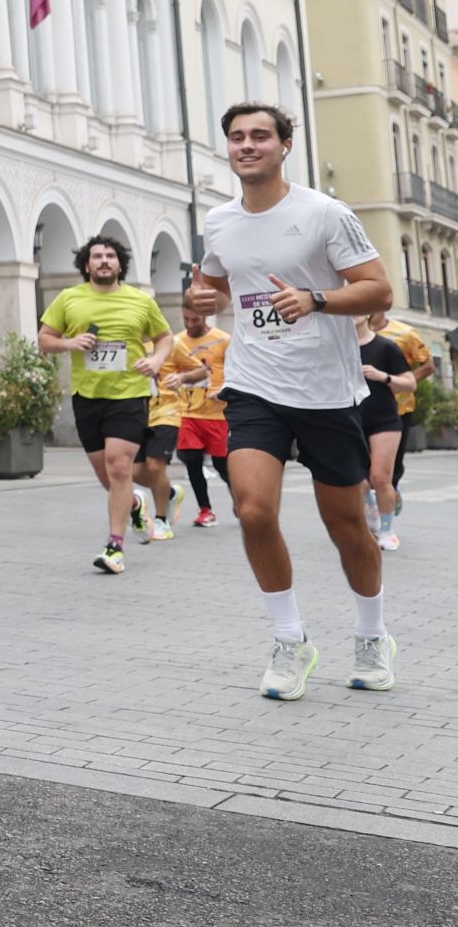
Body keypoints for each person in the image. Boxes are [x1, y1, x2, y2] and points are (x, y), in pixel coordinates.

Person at [186, 101, 396, 700]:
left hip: (328, 392)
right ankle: (289, 639)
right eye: (235, 137)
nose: (246, 145)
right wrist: (200, 301)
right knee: (252, 510)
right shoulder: (221, 221)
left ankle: (372, 635)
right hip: (254, 385)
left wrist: (316, 300)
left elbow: (378, 287)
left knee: (347, 524)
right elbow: (219, 282)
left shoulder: (325, 214)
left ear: (284, 146)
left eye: (259, 136)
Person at [37, 233, 175, 574]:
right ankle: (134, 501)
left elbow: (165, 338)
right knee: (108, 477)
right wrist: (70, 343)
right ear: (87, 265)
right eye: (97, 256)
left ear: (119, 264)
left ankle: (115, 546)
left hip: (129, 394)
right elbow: (44, 339)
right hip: (87, 397)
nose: (103, 261)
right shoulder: (70, 299)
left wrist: (156, 362)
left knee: (118, 466)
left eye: (110, 256)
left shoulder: (140, 301)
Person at [134, 336, 206, 544]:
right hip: (136, 413)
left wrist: (182, 378)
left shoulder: (170, 342)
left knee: (155, 466)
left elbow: (201, 370)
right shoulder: (127, 340)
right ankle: (170, 493)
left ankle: (161, 520)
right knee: (133, 472)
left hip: (167, 412)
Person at [356, 314, 414, 552]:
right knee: (356, 480)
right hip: (348, 419)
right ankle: (370, 510)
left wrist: (384, 377)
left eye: (357, 309)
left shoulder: (385, 346)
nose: (351, 314)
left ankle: (388, 531)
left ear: (368, 313)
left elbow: (410, 383)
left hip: (384, 419)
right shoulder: (337, 348)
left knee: (380, 477)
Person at [371, 311, 433, 518]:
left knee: (391, 466)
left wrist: (398, 382)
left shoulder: (405, 333)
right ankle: (373, 510)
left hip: (399, 409)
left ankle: (390, 496)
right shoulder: (353, 331)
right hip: (364, 408)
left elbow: (428, 365)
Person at [174, 308, 232, 527]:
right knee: (192, 460)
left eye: (195, 319)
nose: (190, 324)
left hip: (216, 413)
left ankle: (239, 498)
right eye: (186, 319)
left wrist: (226, 390)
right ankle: (205, 510)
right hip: (188, 412)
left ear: (205, 316)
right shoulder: (177, 341)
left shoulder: (223, 340)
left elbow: (237, 369)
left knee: (221, 464)